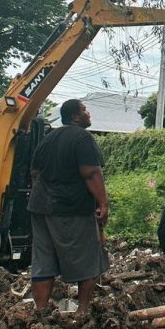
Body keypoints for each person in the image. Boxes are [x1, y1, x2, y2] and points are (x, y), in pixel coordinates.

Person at [27, 98, 109, 314]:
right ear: (74, 116)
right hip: (71, 209)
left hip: (40, 208)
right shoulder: (83, 138)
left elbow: (34, 174)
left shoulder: (47, 138)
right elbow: (91, 172)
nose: (88, 113)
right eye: (84, 110)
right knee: (88, 259)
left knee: (43, 260)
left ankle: (41, 312)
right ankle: (82, 312)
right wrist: (103, 203)